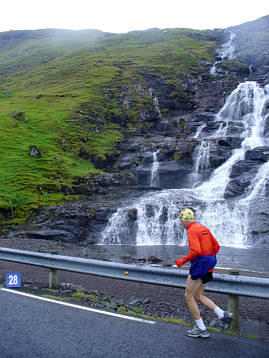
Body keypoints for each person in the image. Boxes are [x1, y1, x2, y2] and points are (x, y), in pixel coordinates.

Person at [176, 208, 233, 338]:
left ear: (184, 220)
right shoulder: (203, 228)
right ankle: (223, 315)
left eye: (181, 220)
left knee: (188, 295)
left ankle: (201, 329)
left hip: (200, 264)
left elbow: (195, 251)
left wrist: (181, 261)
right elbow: (216, 246)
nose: (181, 223)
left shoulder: (191, 230)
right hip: (210, 262)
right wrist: (209, 259)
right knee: (198, 295)